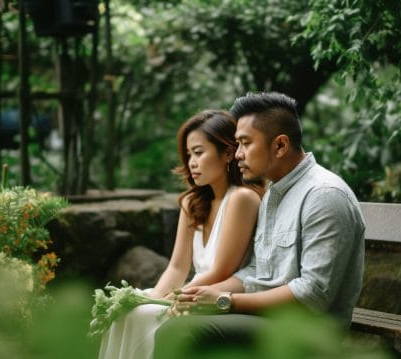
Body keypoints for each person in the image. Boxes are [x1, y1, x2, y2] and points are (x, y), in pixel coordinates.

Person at [154, 92, 365, 357]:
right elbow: (257, 271)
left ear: (280, 145)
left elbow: (313, 294)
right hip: (265, 319)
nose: (237, 154)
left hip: (308, 330)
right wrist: (200, 295)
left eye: (244, 143)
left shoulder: (324, 195)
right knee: (178, 319)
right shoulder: (274, 194)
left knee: (180, 333)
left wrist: (224, 302)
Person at [98, 109, 263, 359]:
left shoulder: (242, 199)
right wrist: (154, 297)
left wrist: (173, 299)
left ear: (228, 153)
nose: (191, 163)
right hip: (192, 291)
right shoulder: (192, 203)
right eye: (188, 154)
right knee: (124, 311)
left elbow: (221, 270)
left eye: (198, 152)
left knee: (143, 315)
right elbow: (176, 267)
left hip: (221, 294)